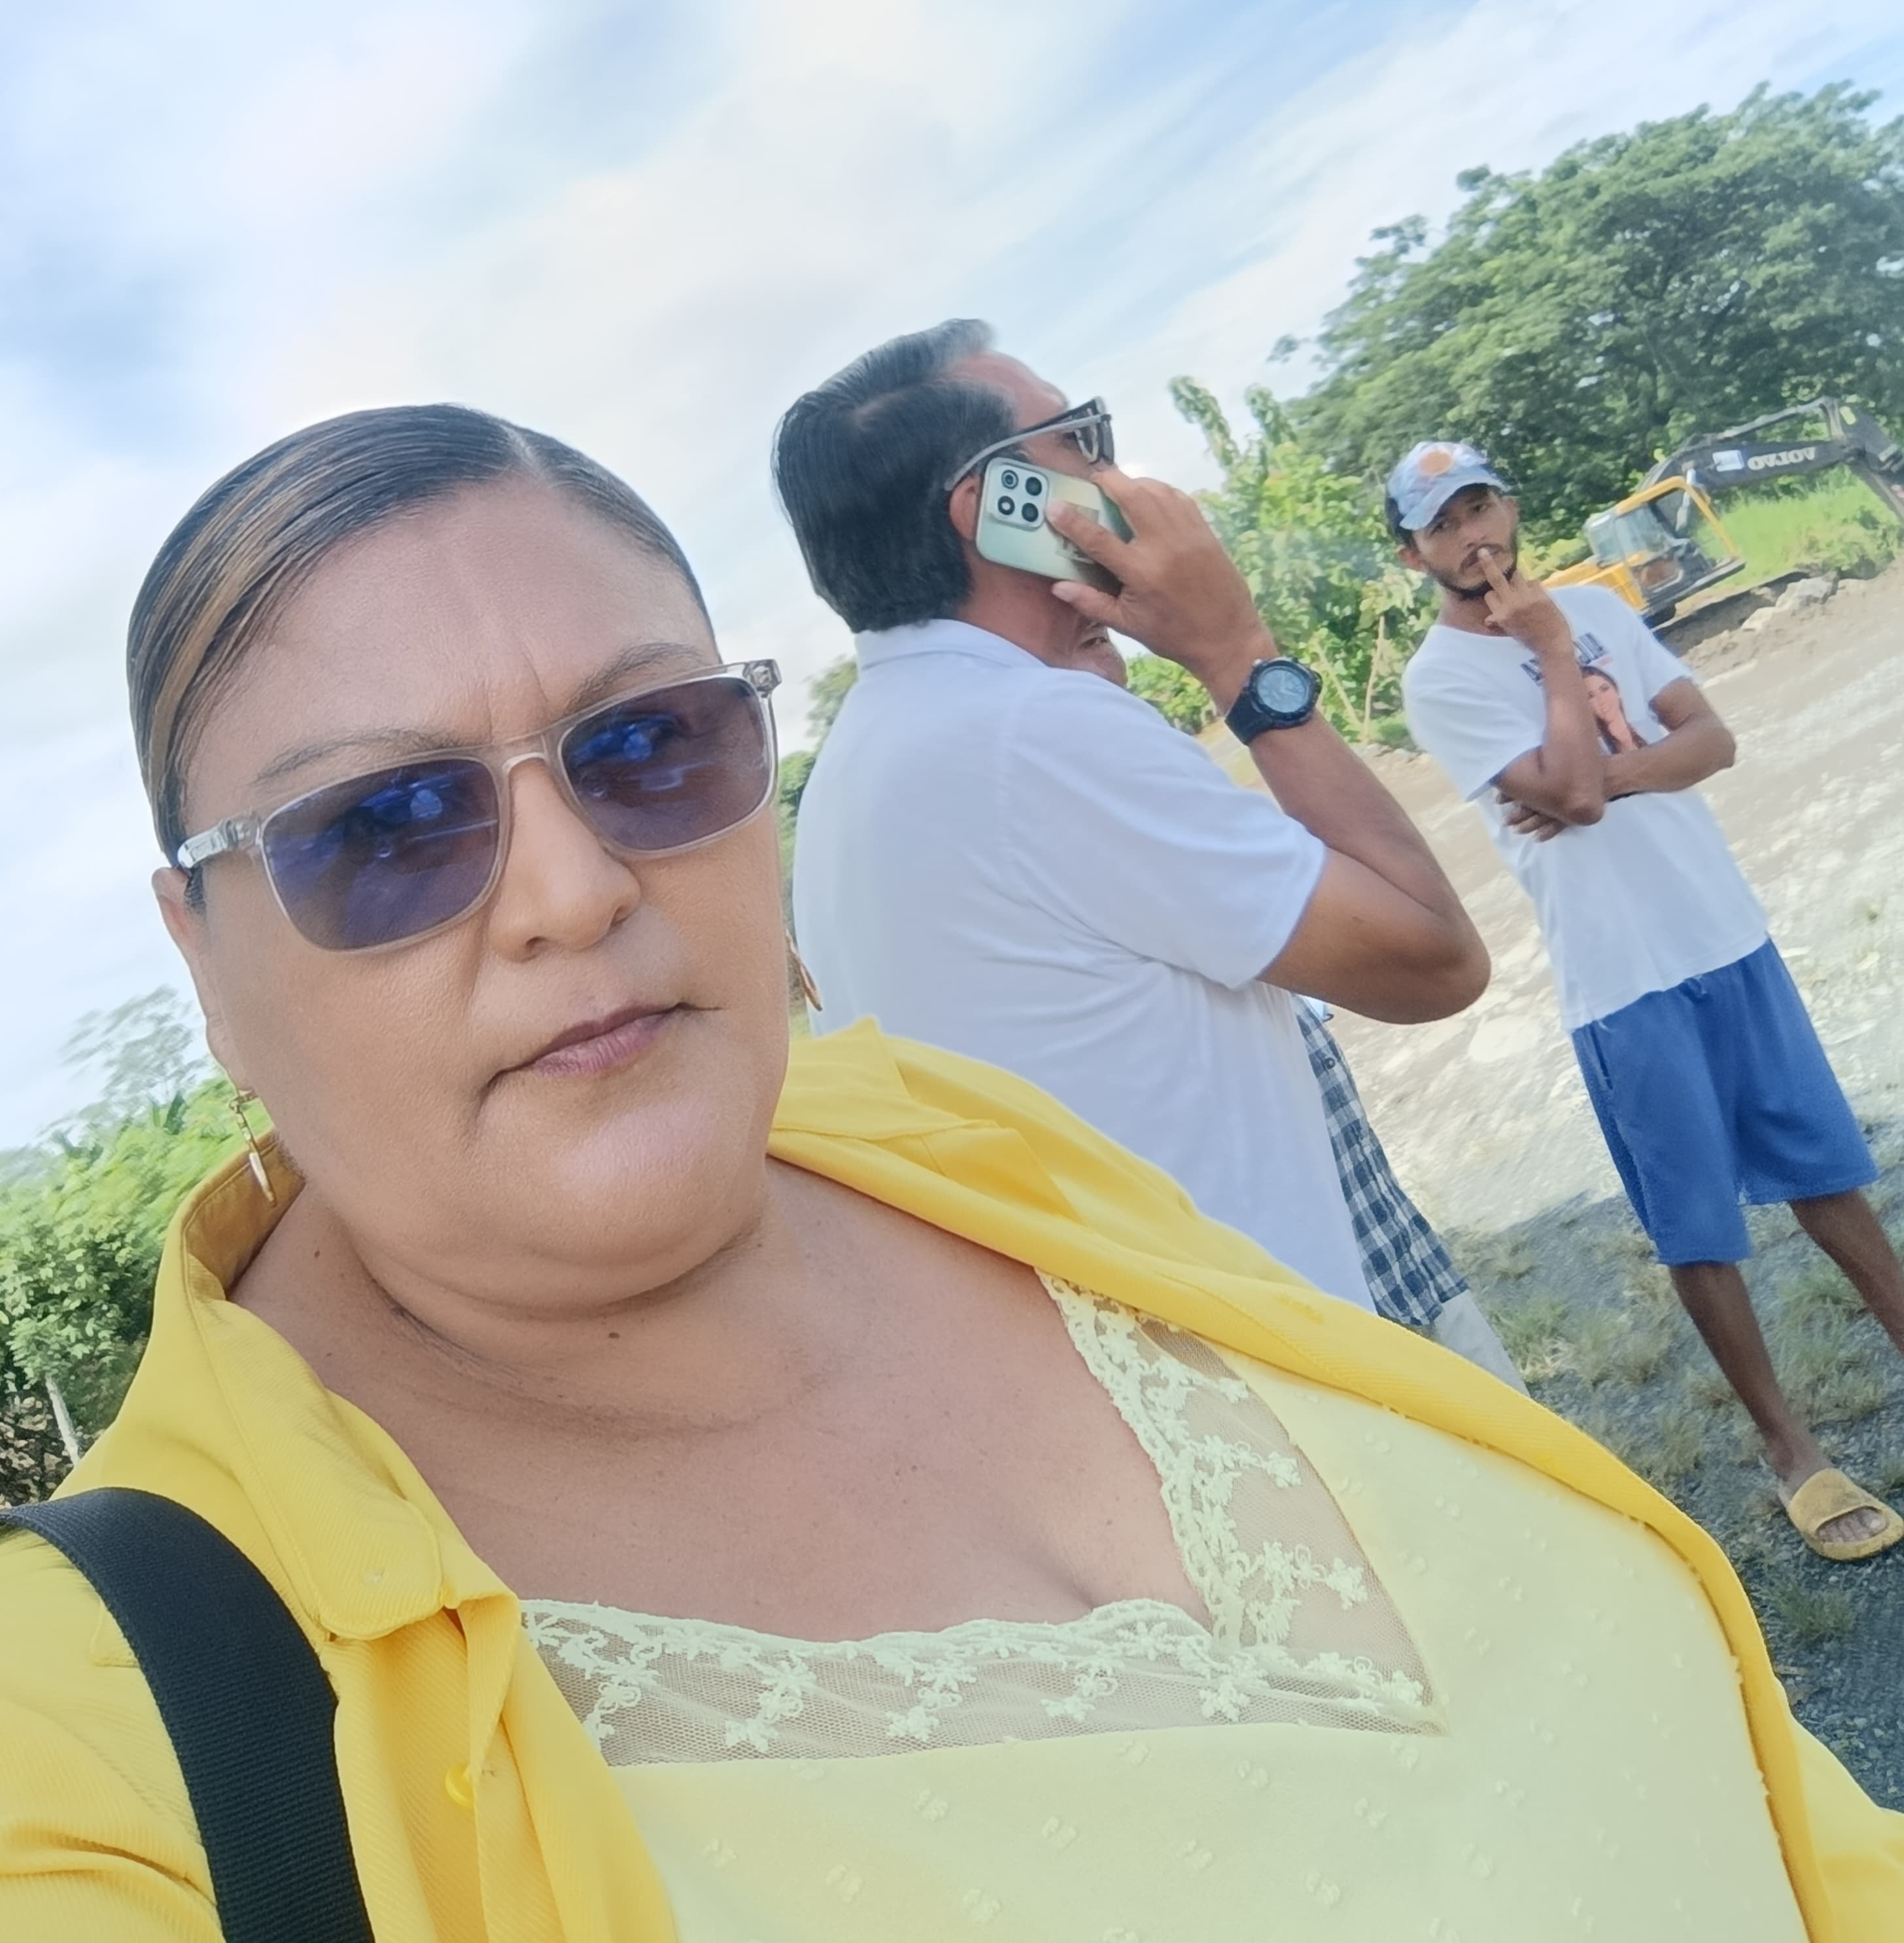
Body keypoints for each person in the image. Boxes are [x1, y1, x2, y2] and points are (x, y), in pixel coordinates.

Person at [0, 400, 1901, 1943]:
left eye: (647, 745)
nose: (571, 891)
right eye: (383, 827)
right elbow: (1423, 951)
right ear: (202, 957)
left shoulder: (940, 1138)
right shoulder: (67, 1745)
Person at [774, 320, 1488, 1308]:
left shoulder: (863, 760)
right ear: (1002, 508)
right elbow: (1433, 960)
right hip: (1283, 1353)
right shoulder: (1033, 730)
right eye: (1081, 440)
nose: (1117, 476)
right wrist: (1236, 651)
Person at [1393, 436, 1904, 1564]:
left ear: (1508, 507)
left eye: (1481, 507)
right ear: (1411, 552)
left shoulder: (1596, 610)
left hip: (1721, 933)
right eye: (1443, 524)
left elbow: (1708, 741)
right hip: (1619, 977)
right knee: (1694, 1227)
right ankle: (1790, 1451)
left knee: (1825, 1174)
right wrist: (1547, 658)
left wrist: (1608, 773)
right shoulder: (1437, 680)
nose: (1473, 536)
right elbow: (1568, 795)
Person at [1064, 623, 1523, 1384]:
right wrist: (1233, 647)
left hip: (1387, 1266)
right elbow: (1435, 957)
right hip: (1327, 1339)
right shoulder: (1093, 793)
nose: (1087, 607)